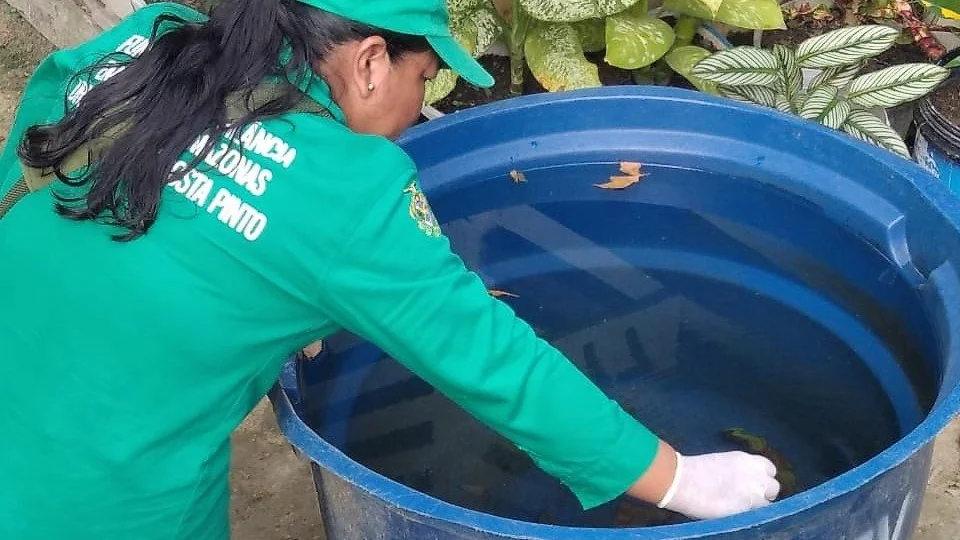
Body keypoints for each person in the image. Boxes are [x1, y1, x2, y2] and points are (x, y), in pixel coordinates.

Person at [0, 1, 780, 539]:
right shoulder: (345, 192)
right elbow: (496, 364)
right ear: (371, 62)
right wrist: (680, 480)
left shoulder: (145, 40)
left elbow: (33, 161)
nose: (422, 103)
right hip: (103, 488)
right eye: (426, 79)